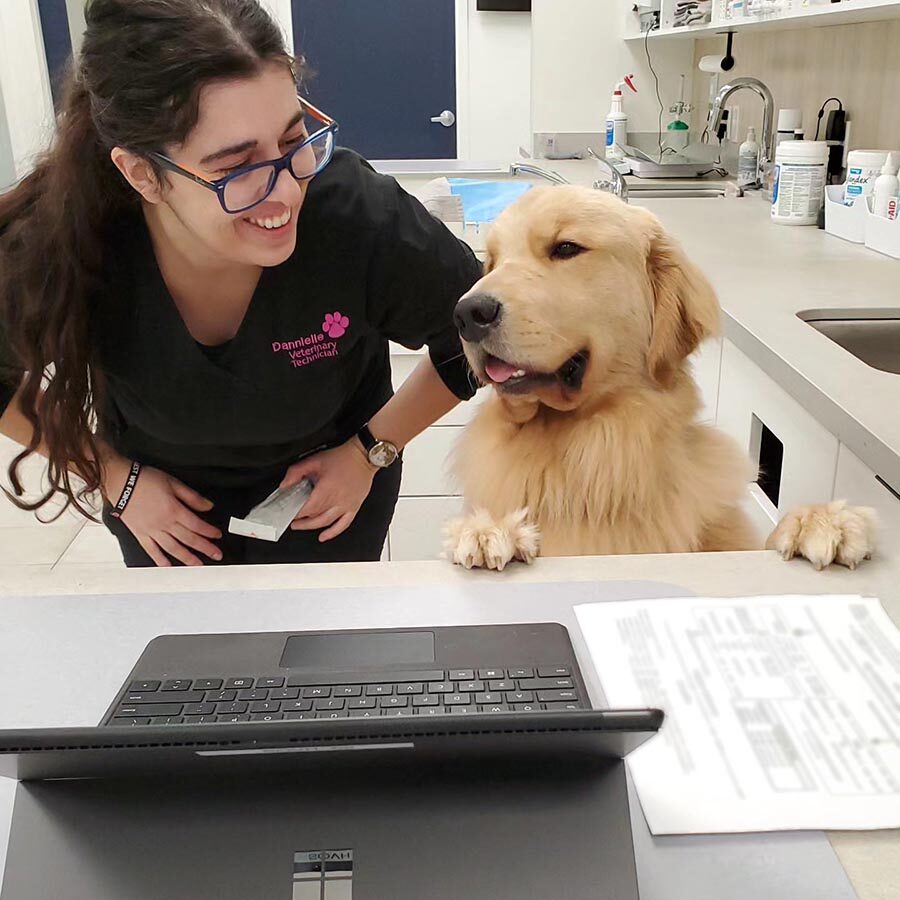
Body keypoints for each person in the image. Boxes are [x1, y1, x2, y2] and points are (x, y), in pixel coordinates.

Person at [0, 0, 480, 568]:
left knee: (328, 644)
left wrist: (372, 450)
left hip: (330, 494)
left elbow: (479, 337)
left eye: (293, 139)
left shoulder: (356, 215)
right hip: (161, 504)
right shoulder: (67, 238)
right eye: (236, 168)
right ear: (141, 173)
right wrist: (113, 476)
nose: (284, 191)